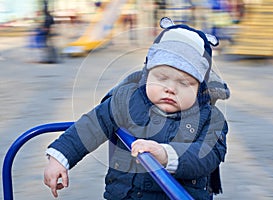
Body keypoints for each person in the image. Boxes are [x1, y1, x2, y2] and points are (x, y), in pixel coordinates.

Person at [43, 18, 229, 200]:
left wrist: (166, 155)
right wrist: (61, 157)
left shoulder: (211, 119)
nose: (170, 88)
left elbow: (207, 154)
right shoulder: (127, 100)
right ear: (147, 75)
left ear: (200, 89)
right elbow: (92, 124)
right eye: (162, 78)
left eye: (184, 83)